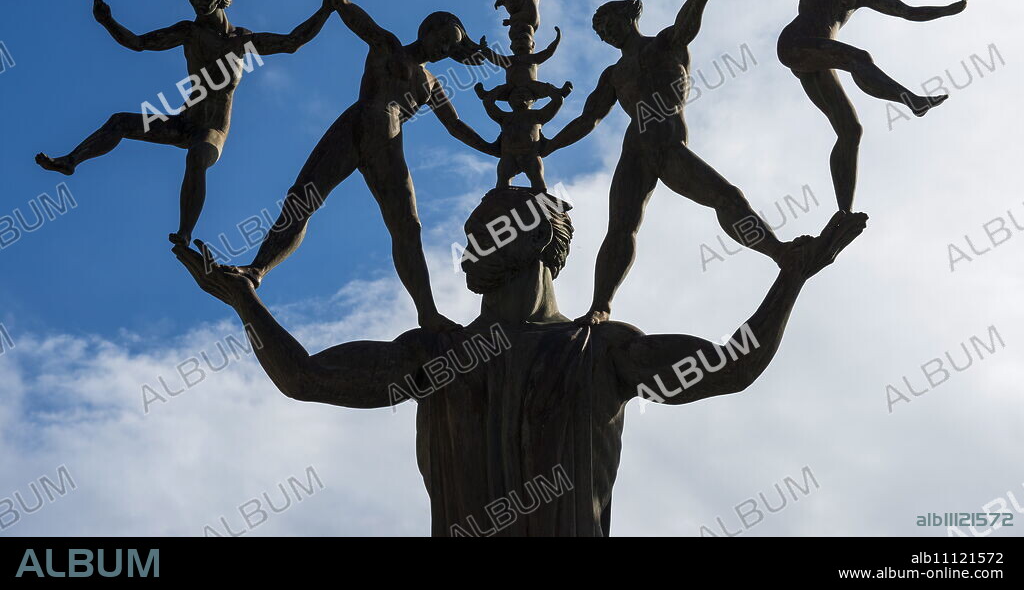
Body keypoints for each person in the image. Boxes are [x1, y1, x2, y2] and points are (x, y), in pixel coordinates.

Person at [172, 187, 866, 536]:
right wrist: (245, 306)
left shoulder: (604, 349)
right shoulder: (439, 353)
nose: (471, 237)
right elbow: (309, 380)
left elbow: (726, 369)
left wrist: (790, 279)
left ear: (537, 237)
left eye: (490, 224)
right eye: (473, 229)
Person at [542, 0, 822, 325]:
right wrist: (546, 144)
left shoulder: (668, 42)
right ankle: (600, 306)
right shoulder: (614, 75)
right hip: (635, 149)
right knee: (621, 227)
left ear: (628, 16)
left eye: (610, 23)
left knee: (727, 197)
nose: (607, 33)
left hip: (668, 141)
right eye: (601, 31)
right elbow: (588, 119)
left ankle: (779, 253)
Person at [226, 0, 497, 332]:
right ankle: (257, 269)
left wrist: (496, 148)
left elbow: (456, 127)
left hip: (389, 145)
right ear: (428, 30)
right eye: (443, 36)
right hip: (360, 124)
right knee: (304, 198)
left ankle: (427, 313)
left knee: (408, 226)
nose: (444, 47)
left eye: (452, 44)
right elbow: (341, 4)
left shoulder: (432, 84)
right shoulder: (387, 46)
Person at [35, 0, 333, 247]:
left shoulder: (240, 41)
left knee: (196, 158)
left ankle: (185, 233)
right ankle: (70, 161)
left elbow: (292, 42)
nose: (196, 2)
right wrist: (108, 22)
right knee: (120, 121)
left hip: (211, 132)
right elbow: (138, 43)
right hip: (183, 123)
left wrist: (327, 7)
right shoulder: (188, 32)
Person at [689, 0, 968, 212]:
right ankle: (911, 100)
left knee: (851, 131)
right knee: (858, 58)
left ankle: (844, 213)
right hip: (796, 44)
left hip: (820, 61)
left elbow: (908, 12)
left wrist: (950, 9)